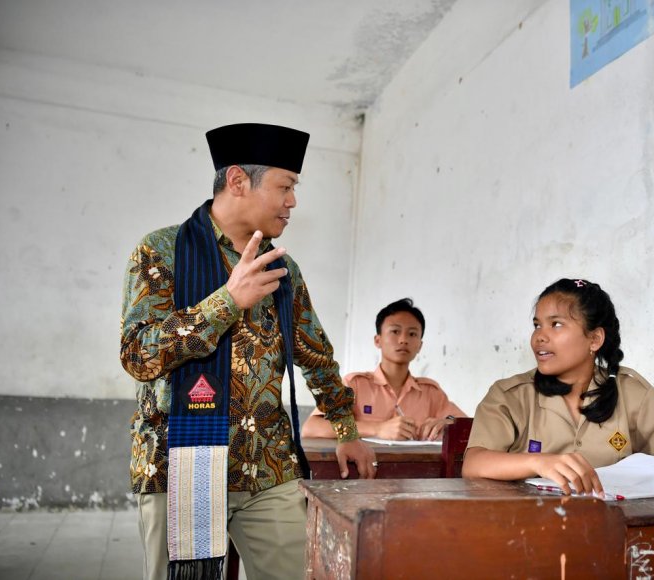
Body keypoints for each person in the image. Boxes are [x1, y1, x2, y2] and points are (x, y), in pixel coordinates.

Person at [120, 122, 376, 580]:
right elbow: (139, 354)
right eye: (285, 186)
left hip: (267, 468)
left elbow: (315, 354)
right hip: (180, 467)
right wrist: (226, 302)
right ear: (238, 181)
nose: (292, 201)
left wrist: (345, 428)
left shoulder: (282, 268)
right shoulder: (162, 252)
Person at [462, 278, 654, 501]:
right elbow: (474, 463)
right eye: (537, 325)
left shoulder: (629, 392)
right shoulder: (509, 395)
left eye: (556, 324)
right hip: (526, 532)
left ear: (594, 339)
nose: (539, 336)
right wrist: (539, 463)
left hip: (611, 534)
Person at [302, 298, 466, 441]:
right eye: (395, 331)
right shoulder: (355, 384)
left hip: (417, 474)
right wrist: (378, 429)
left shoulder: (431, 392)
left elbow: (470, 426)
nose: (403, 340)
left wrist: (449, 422)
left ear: (420, 346)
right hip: (363, 473)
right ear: (378, 340)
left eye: (412, 334)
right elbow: (312, 427)